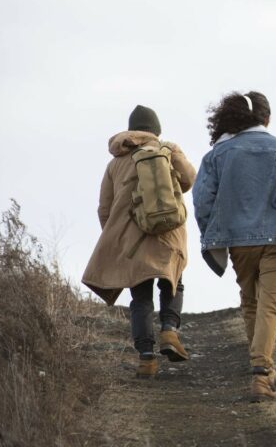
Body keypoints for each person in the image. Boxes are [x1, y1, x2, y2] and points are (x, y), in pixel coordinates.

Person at [193, 91, 276, 402]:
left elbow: (202, 200)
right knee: (269, 304)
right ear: (265, 118)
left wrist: (215, 233)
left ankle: (260, 368)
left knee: (250, 302)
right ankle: (262, 374)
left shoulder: (217, 153)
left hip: (237, 241)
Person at [83, 105, 196, 379]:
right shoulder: (167, 151)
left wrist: (115, 237)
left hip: (131, 239)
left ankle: (146, 359)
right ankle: (170, 330)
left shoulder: (115, 163)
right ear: (156, 130)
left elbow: (104, 208)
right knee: (173, 279)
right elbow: (190, 180)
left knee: (140, 295)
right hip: (168, 231)